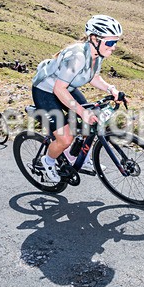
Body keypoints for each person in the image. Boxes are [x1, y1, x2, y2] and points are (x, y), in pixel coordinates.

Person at [32, 15, 125, 182]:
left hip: (67, 89)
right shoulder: (77, 56)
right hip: (46, 91)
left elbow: (93, 77)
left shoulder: (97, 55)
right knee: (65, 138)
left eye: (116, 42)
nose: (114, 47)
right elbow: (58, 89)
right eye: (110, 43)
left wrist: (111, 89)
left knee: (92, 118)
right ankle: (48, 161)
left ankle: (81, 158)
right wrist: (81, 112)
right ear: (94, 38)